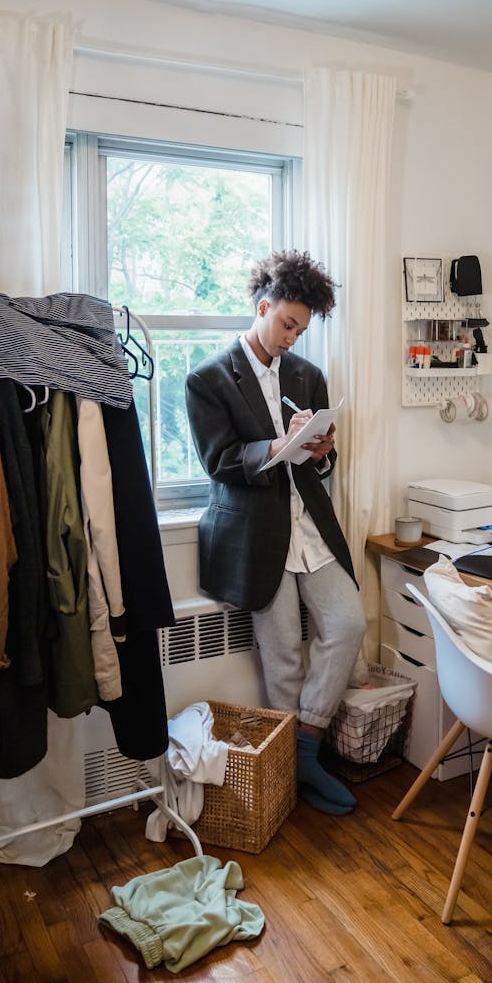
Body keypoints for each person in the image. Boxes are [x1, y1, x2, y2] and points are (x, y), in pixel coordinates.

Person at [185, 249, 366, 815]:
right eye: (287, 323)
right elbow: (219, 462)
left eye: (301, 328)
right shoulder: (207, 379)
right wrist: (278, 446)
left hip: (309, 525)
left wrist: (320, 450)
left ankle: (305, 751)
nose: (292, 336)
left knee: (349, 624)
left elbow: (318, 467)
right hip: (255, 535)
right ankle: (291, 767)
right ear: (263, 307)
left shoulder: (308, 375)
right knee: (283, 652)